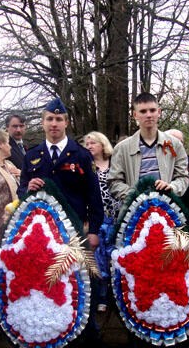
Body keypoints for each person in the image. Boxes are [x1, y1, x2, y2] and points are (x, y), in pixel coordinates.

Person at [18, 97, 104, 343]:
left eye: (58, 119)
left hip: (75, 231)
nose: (54, 123)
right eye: (49, 119)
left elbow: (93, 196)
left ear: (66, 122)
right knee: (48, 282)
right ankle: (52, 330)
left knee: (81, 282)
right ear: (43, 123)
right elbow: (21, 190)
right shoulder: (32, 155)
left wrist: (94, 230)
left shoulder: (80, 154)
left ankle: (87, 332)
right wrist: (27, 189)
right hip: (42, 235)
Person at [108, 92, 189, 201]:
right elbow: (114, 182)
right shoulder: (122, 148)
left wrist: (172, 188)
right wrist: (135, 195)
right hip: (135, 213)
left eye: (152, 110)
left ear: (159, 112)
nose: (149, 115)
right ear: (135, 115)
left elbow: (183, 178)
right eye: (143, 111)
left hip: (167, 211)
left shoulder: (175, 145)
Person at [84, 131, 121, 313]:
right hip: (96, 220)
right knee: (98, 259)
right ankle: (101, 297)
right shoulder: (85, 166)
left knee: (115, 256)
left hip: (116, 218)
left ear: (103, 145)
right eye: (87, 144)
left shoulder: (114, 163)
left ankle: (118, 295)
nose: (89, 146)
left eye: (93, 143)